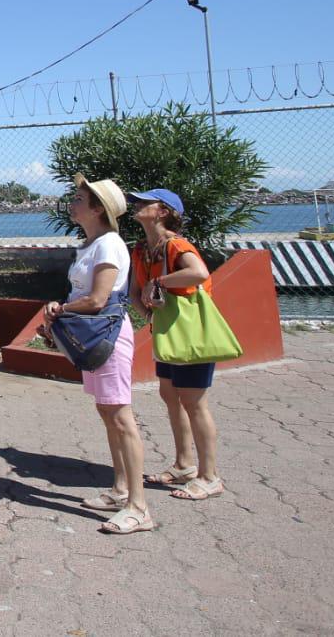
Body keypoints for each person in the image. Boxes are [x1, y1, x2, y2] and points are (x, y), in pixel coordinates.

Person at [43, 174, 153, 534]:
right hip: (94, 336)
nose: (72, 203)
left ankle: (139, 507)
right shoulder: (94, 244)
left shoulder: (108, 245)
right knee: (108, 413)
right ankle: (121, 488)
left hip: (106, 336)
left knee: (121, 417)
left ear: (97, 210)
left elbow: (97, 299)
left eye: (78, 199)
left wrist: (60, 310)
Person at [128, 188, 224, 502]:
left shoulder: (175, 245)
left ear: (164, 211)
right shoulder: (142, 250)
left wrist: (160, 283)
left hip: (191, 334)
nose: (138, 205)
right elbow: (134, 292)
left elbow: (198, 272)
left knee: (194, 401)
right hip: (167, 331)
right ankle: (184, 464)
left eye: (146, 202)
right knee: (170, 394)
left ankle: (209, 476)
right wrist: (150, 317)